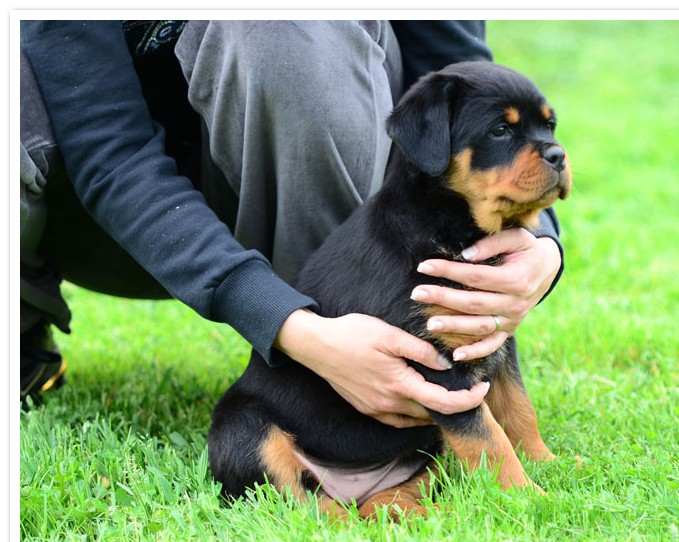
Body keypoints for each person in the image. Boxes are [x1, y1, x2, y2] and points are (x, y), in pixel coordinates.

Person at [19, 20, 564, 428]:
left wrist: (542, 247)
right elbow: (113, 158)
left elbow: (463, 72)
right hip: (96, 225)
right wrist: (295, 329)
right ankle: (17, 333)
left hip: (329, 196)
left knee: (278, 23)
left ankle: (367, 357)